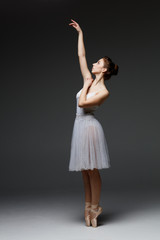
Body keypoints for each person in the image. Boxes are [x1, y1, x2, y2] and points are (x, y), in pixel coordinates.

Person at [68, 19, 119, 227]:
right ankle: (87, 205)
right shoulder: (88, 78)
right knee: (84, 169)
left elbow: (82, 102)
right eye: (95, 62)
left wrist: (87, 86)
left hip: (90, 127)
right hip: (78, 126)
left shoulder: (103, 91)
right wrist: (80, 33)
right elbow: (81, 56)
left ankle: (95, 206)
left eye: (98, 63)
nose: (93, 64)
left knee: (93, 169)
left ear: (104, 71)